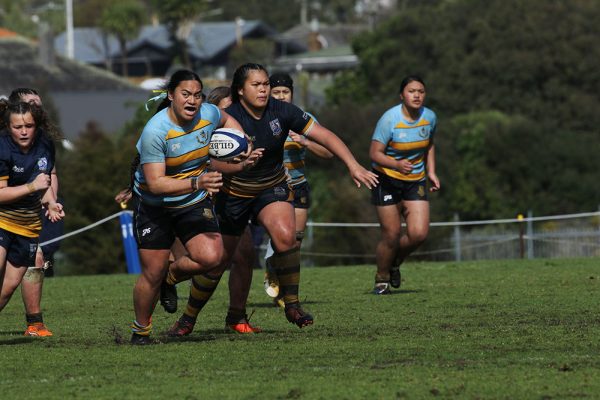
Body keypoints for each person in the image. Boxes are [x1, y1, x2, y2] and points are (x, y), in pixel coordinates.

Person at [167, 62, 378, 336]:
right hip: (234, 194)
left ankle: (292, 304)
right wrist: (236, 165)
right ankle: (188, 318)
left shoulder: (283, 111)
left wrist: (353, 164)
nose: (264, 90)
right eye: (256, 85)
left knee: (286, 237)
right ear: (240, 90)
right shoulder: (224, 118)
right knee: (219, 262)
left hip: (271, 187)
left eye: (266, 84)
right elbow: (210, 163)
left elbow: (323, 135)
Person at [129, 69, 260, 345]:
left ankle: (170, 278)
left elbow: (226, 118)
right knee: (151, 273)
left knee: (212, 257)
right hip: (155, 207)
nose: (192, 101)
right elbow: (155, 184)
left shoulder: (209, 114)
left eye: (197, 95)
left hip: (191, 201)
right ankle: (140, 330)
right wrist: (197, 182)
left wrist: (242, 141)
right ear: (171, 96)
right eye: (185, 94)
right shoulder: (156, 131)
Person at [263, 72, 333, 306]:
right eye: (277, 92)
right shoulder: (263, 117)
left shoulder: (303, 119)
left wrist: (306, 142)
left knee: (295, 242)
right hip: (270, 187)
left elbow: (328, 153)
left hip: (298, 186)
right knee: (279, 238)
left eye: (285, 92)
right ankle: (272, 268)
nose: (281, 97)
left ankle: (285, 292)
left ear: (292, 94)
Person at [369, 76, 440, 295]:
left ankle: (394, 262)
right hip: (386, 179)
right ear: (402, 95)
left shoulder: (429, 117)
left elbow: (429, 145)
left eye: (421, 91)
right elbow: (374, 154)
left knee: (419, 233)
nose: (417, 95)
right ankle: (382, 279)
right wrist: (396, 164)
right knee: (391, 235)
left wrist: (431, 171)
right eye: (411, 91)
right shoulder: (389, 120)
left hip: (415, 179)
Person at [0, 101, 65, 322]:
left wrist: (50, 203)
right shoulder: (2, 148)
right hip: (1, 220)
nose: (24, 131)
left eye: (29, 125)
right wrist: (31, 187)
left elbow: (43, 182)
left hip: (27, 225)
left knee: (7, 289)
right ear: (8, 127)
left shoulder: (45, 144)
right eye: (18, 127)